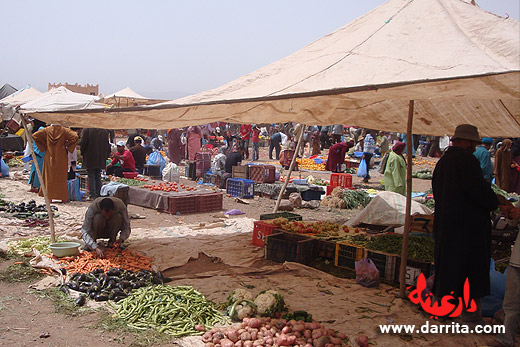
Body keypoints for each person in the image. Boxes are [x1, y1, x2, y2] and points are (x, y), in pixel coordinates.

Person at [432, 124, 498, 326]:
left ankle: (442, 312)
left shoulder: (443, 162)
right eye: (474, 143)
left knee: (447, 270)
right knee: (471, 272)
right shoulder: (467, 160)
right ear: (468, 142)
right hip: (467, 230)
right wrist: (494, 201)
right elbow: (479, 192)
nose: (474, 148)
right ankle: (470, 317)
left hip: (446, 226)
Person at [493, 206, 520, 346]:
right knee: (511, 303)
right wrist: (511, 215)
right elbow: (513, 224)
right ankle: (505, 340)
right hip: (517, 259)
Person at [33, 125, 79, 202]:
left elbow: (35, 136)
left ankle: (49, 197)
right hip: (61, 156)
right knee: (61, 177)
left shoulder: (47, 130)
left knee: (49, 177)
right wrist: (67, 145)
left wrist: (44, 146)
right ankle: (63, 198)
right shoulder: (64, 130)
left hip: (49, 155)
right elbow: (75, 136)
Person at [80, 128, 110, 199]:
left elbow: (83, 143)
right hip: (100, 157)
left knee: (91, 175)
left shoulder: (87, 130)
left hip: (90, 156)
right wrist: (105, 156)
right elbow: (107, 145)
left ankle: (92, 194)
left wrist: (82, 152)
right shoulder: (104, 131)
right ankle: (99, 193)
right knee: (97, 175)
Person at [28, 127, 45, 193]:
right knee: (35, 172)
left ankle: (37, 187)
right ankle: (35, 186)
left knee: (38, 172)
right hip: (38, 156)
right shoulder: (37, 139)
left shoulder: (44, 140)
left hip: (40, 157)